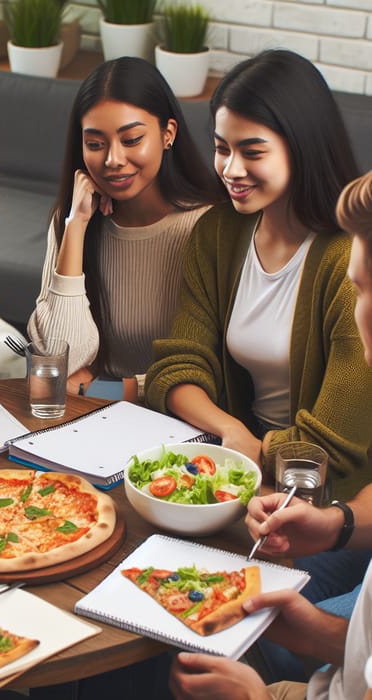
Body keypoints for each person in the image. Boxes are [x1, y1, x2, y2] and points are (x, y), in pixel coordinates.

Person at [169, 169, 372, 700]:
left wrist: (257, 698)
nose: (356, 312)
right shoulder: (221, 233)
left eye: (364, 289)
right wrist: (333, 524)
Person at [145, 49, 372, 501]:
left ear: (302, 146)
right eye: (221, 148)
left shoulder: (353, 258)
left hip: (328, 496)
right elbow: (176, 367)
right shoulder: (219, 231)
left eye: (252, 151)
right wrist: (233, 433)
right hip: (235, 467)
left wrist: (251, 450)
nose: (231, 169)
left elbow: (333, 446)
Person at [26, 56, 223, 402]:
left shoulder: (208, 226)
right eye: (95, 144)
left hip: (180, 423)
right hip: (90, 420)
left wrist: (110, 388)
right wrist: (75, 227)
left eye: (131, 139)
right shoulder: (73, 220)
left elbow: (210, 369)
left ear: (168, 134)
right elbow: (58, 361)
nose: (112, 160)